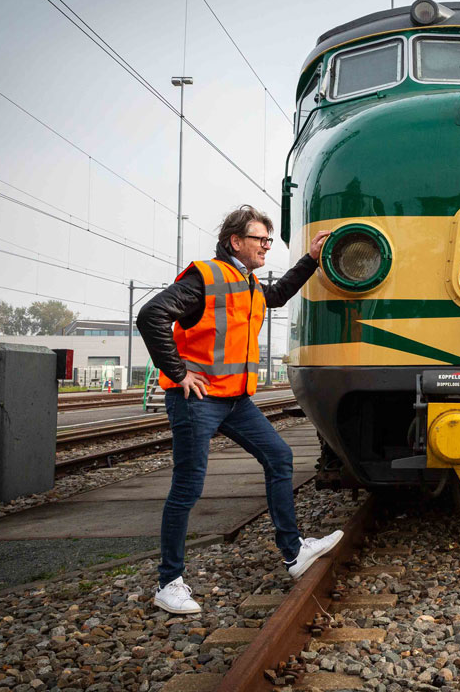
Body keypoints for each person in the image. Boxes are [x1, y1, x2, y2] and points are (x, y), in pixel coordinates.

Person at [137, 205, 341, 614]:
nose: (266, 245)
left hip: (234, 400)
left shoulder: (246, 283)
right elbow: (151, 314)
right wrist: (177, 373)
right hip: (197, 399)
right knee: (188, 486)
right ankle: (169, 582)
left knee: (279, 457)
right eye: (260, 239)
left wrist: (310, 260)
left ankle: (293, 552)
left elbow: (277, 295)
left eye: (268, 239)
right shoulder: (206, 277)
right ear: (235, 242)